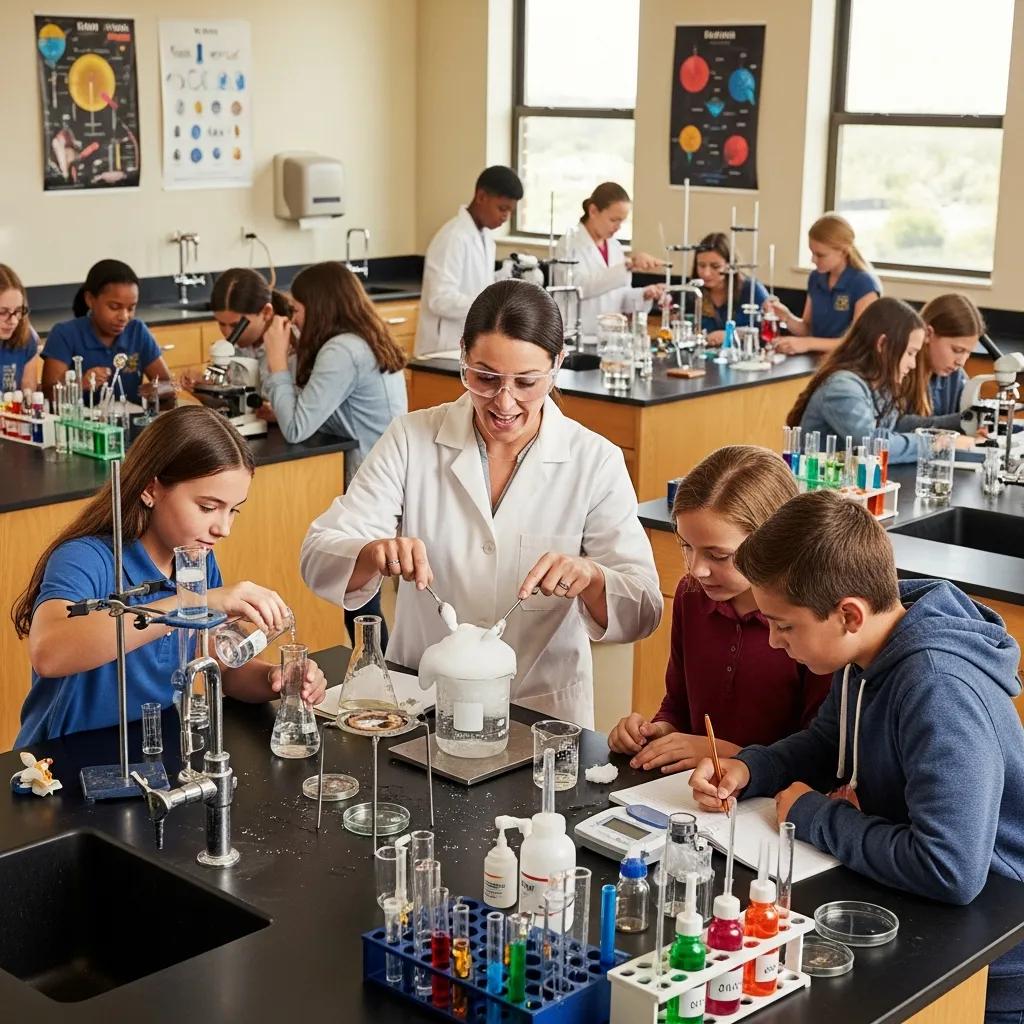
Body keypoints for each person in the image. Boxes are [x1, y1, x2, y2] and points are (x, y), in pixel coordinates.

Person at [688, 490, 1024, 1024]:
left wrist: (813, 815)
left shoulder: (938, 686)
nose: (773, 641)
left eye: (784, 624)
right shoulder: (866, 649)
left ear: (848, 613)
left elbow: (950, 868)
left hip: (989, 962)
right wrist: (753, 768)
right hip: (909, 912)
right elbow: (826, 744)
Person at [301, 280, 662, 727]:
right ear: (463, 359)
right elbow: (318, 553)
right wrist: (372, 552)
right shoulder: (412, 439)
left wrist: (590, 577)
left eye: (527, 383)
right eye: (485, 378)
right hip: (424, 702)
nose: (504, 402)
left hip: (540, 714)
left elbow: (644, 607)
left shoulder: (594, 460)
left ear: (557, 367)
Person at [12, 405, 327, 745]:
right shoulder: (87, 558)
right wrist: (188, 605)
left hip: (151, 750)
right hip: (60, 766)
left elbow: (218, 664)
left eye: (233, 510)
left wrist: (274, 679)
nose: (223, 528)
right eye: (208, 507)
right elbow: (49, 652)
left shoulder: (197, 562)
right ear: (151, 489)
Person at [608, 446, 830, 772]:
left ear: (772, 543)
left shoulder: (810, 620)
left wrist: (729, 754)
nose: (697, 569)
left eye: (719, 555)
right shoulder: (691, 596)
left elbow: (820, 756)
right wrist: (658, 732)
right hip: (697, 792)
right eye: (687, 546)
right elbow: (678, 705)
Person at [262, 262, 408, 648]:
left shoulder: (342, 350)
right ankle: (380, 673)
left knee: (362, 608)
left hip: (372, 490)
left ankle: (380, 677)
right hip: (386, 482)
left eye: (298, 308)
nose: (294, 316)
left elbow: (296, 426)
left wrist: (276, 359)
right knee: (366, 605)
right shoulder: (357, 338)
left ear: (319, 305)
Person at [787, 297, 974, 464]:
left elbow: (895, 426)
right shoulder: (843, 387)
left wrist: (958, 423)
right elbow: (872, 444)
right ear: (882, 344)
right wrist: (937, 442)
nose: (913, 365)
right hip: (819, 495)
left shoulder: (878, 385)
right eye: (910, 353)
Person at [414, 166, 523, 356]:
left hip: (468, 344)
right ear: (481, 197)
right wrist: (489, 302)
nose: (506, 216)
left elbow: (475, 284)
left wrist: (503, 282)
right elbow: (439, 299)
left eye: (511, 211)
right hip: (442, 348)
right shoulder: (452, 237)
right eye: (502, 208)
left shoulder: (486, 238)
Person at [41, 259, 171, 404]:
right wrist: (81, 384)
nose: (124, 317)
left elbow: (168, 384)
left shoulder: (137, 331)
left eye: (131, 308)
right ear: (90, 299)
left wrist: (157, 390)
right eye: (114, 307)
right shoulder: (64, 334)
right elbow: (48, 394)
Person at [552, 182, 664, 335]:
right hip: (579, 337)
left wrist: (644, 294)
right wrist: (628, 266)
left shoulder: (615, 247)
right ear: (593, 211)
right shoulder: (569, 244)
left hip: (610, 338)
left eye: (621, 221)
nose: (618, 227)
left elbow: (620, 297)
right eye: (613, 220)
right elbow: (578, 288)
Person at [766, 214, 880, 354]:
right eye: (812, 253)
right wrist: (787, 317)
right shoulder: (816, 278)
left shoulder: (863, 283)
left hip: (847, 365)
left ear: (843, 252)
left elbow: (858, 342)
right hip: (814, 361)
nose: (813, 260)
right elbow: (807, 329)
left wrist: (808, 344)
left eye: (820, 255)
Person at [896, 293, 986, 433]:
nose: (961, 362)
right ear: (928, 334)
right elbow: (892, 424)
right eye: (957, 350)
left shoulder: (957, 377)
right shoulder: (900, 370)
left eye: (968, 352)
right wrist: (961, 420)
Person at [208, 266, 295, 397]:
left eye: (236, 326)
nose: (228, 334)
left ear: (266, 312)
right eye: (221, 324)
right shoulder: (237, 346)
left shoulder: (293, 347)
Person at [690, 233, 769, 346]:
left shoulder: (752, 291)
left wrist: (732, 334)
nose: (706, 273)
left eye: (715, 266)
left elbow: (766, 330)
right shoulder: (693, 292)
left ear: (730, 265)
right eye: (701, 266)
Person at [0, 264, 40, 394]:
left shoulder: (27, 337)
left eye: (18, 311)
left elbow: (28, 399)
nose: (13, 321)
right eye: (2, 312)